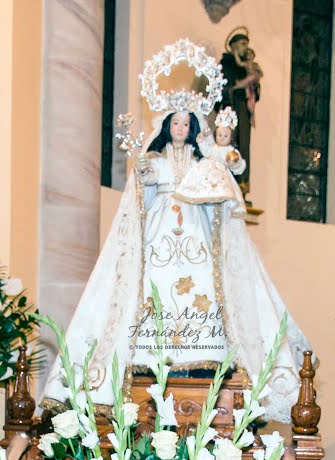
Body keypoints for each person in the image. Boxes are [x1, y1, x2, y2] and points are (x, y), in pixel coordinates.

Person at [39, 107, 311, 423]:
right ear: (168, 127)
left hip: (195, 231)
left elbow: (222, 178)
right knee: (154, 283)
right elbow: (146, 190)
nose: (180, 128)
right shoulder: (158, 160)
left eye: (185, 123)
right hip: (160, 231)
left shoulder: (200, 163)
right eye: (175, 123)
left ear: (192, 129)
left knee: (205, 284)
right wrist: (144, 173)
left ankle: (205, 353)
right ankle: (146, 352)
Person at [174, 107, 247, 218]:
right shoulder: (214, 148)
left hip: (222, 175)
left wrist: (235, 162)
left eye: (225, 136)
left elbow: (239, 166)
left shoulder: (231, 150)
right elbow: (206, 152)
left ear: (231, 137)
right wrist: (201, 141)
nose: (222, 138)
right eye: (219, 135)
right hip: (208, 173)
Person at [219, 27, 261, 188]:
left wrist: (253, 87)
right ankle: (229, 183)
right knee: (231, 142)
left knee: (244, 146)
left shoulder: (247, 65)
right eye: (242, 44)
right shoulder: (227, 63)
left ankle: (242, 184)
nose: (245, 48)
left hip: (243, 109)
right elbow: (226, 86)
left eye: (246, 44)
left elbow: (255, 93)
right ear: (234, 45)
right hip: (231, 108)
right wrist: (243, 83)